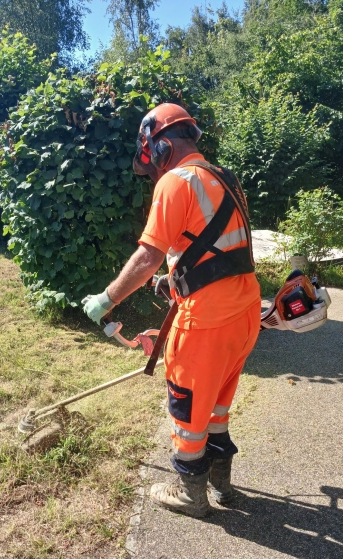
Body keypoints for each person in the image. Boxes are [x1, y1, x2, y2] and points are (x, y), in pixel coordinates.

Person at [82, 103, 261, 518]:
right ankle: (222, 482)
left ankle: (189, 493)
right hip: (245, 311)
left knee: (187, 406)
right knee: (217, 401)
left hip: (207, 321)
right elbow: (220, 252)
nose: (154, 175)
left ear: (159, 148)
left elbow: (147, 256)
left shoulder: (175, 183)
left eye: (153, 163)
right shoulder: (226, 178)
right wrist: (174, 281)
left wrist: (106, 299)